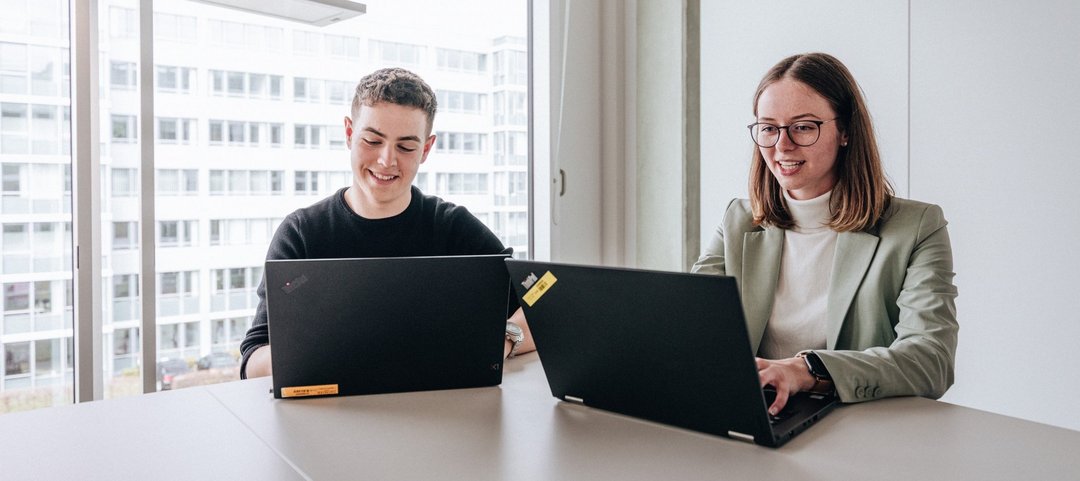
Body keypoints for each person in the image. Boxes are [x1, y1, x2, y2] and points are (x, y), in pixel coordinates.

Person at [692, 53, 958, 416]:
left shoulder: (916, 227)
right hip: (758, 417)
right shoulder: (739, 220)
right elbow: (689, 327)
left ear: (846, 131)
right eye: (768, 127)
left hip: (860, 430)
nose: (782, 146)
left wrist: (809, 370)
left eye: (803, 127)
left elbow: (931, 360)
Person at [239, 67, 535, 379]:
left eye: (406, 146)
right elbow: (253, 362)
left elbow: (543, 301)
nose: (386, 160)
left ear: (426, 149)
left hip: (438, 415)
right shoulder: (302, 233)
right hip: (331, 418)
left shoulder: (452, 228)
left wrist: (503, 340)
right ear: (350, 133)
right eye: (372, 140)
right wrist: (336, 354)